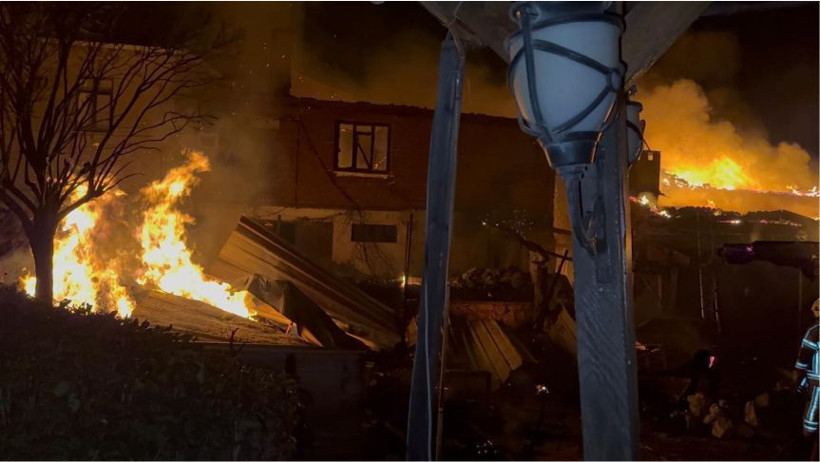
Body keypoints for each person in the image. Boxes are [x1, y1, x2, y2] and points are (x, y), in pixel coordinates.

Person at [795, 300, 819, 459]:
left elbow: (802, 361)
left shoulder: (814, 331)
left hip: (817, 386)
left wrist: (798, 383)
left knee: (811, 423)